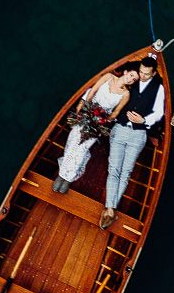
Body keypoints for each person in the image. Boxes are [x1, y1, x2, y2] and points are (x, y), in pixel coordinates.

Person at [53, 62, 138, 195]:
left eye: (134, 79)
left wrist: (103, 120)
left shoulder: (126, 94)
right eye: (131, 75)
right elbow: (92, 91)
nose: (131, 79)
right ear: (126, 71)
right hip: (87, 112)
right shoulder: (108, 77)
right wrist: (85, 107)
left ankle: (68, 178)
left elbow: (116, 112)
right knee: (72, 143)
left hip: (99, 123)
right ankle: (62, 175)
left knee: (82, 149)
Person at [101, 55, 163, 230]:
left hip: (138, 135)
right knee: (114, 169)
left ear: (154, 73)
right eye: (141, 72)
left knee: (125, 172)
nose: (141, 76)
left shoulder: (159, 88)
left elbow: (159, 113)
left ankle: (110, 208)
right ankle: (110, 210)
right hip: (119, 129)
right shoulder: (131, 80)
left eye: (146, 74)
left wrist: (143, 120)